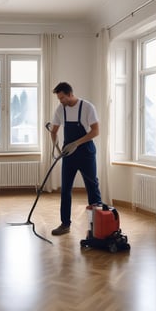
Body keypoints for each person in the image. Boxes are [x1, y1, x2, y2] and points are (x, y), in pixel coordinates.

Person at [50, 82, 102, 235]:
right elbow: (53, 131)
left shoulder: (87, 107)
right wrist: (57, 148)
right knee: (65, 189)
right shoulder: (61, 109)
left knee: (92, 188)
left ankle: (96, 226)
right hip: (68, 155)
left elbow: (96, 131)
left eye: (63, 98)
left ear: (70, 94)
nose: (61, 102)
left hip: (86, 153)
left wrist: (76, 143)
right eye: (59, 99)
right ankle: (65, 224)